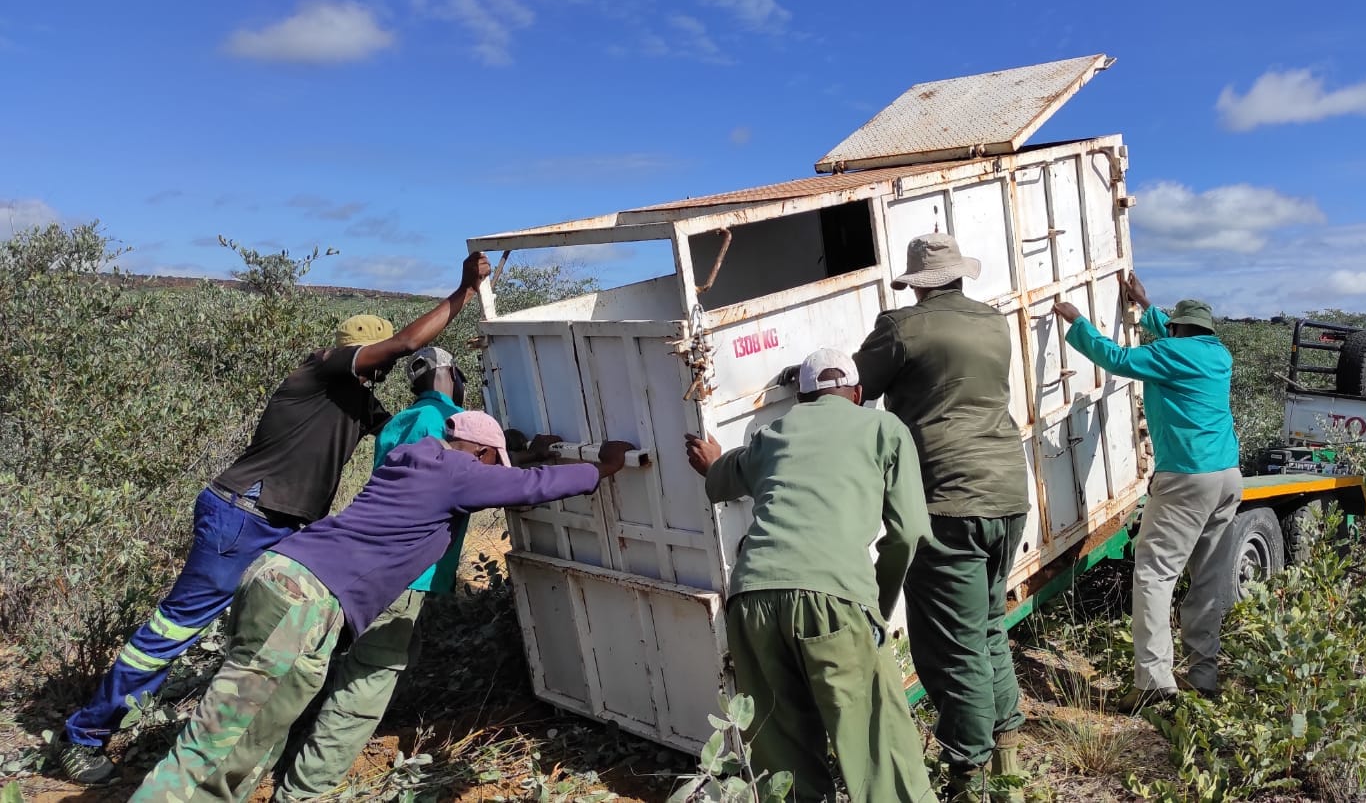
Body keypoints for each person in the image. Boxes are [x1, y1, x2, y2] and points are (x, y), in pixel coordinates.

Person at [59, 253, 492, 785]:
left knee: (265, 645)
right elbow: (404, 345)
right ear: (358, 352)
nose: (381, 368)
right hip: (242, 514)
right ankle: (84, 736)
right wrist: (464, 293)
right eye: (375, 358)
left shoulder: (362, 406)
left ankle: (224, 748)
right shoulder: (318, 369)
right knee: (174, 629)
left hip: (286, 530)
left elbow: (430, 427)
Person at [127, 412, 633, 803]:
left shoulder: (416, 459)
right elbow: (529, 489)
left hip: (279, 578)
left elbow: (500, 479)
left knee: (255, 729)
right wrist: (602, 468)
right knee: (223, 734)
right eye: (490, 462)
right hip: (304, 599)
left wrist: (522, 452)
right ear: (478, 453)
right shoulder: (457, 472)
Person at [686, 349, 934, 803]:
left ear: (800, 398)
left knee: (783, 756)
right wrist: (876, 603)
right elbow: (911, 532)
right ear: (858, 394)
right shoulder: (884, 429)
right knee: (878, 746)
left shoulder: (770, 435)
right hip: (835, 602)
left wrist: (715, 460)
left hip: (752, 600)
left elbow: (719, 480)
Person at [850, 233, 1030, 802]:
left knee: (953, 647)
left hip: (947, 500)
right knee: (988, 630)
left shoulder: (901, 328)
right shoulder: (994, 322)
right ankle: (1009, 769)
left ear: (916, 282)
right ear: (958, 275)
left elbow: (851, 390)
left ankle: (967, 780)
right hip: (1007, 492)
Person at [270, 347, 472, 802]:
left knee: (345, 662)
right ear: (451, 376)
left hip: (368, 564)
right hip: (406, 573)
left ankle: (274, 758)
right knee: (369, 679)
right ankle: (305, 790)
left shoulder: (401, 421)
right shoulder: (452, 423)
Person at [1054, 272, 1240, 712]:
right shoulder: (1219, 356)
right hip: (1227, 477)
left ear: (1177, 330)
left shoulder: (1168, 354)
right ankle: (1204, 675)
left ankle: (1155, 680)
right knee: (1208, 580)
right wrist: (1147, 306)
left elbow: (1117, 358)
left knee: (1156, 576)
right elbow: (1176, 342)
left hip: (1186, 478)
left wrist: (1078, 322)